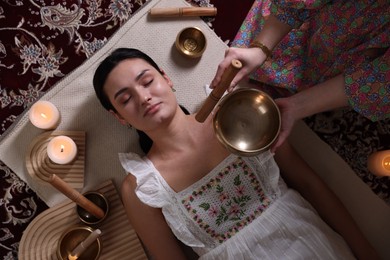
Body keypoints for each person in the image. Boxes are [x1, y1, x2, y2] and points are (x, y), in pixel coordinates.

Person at [93, 48, 379, 259]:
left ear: (167, 79)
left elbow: (309, 184)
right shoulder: (143, 187)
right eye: (126, 99)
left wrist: (366, 251)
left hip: (315, 248)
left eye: (147, 81)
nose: (144, 97)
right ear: (119, 117)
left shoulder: (236, 112)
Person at [211, 0, 389, 152]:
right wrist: (261, 48)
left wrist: (297, 107)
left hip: (351, 61)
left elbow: (380, 81)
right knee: (242, 74)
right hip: (300, 19)